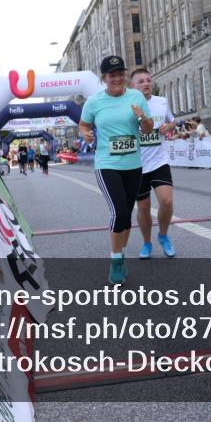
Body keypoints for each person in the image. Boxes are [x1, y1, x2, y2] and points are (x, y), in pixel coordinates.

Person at [79, 55, 153, 284]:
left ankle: (121, 254)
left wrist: (142, 118)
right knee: (119, 212)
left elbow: (149, 130)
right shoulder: (94, 102)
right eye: (113, 75)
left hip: (133, 164)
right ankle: (115, 259)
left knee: (126, 214)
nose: (118, 78)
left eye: (121, 74)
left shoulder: (137, 97)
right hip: (107, 164)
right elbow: (83, 124)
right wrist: (85, 133)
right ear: (104, 78)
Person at [130, 67, 178, 259]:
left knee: (166, 201)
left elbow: (172, 122)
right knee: (143, 207)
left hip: (160, 160)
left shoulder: (161, 102)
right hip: (137, 164)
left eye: (148, 80)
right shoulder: (128, 105)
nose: (146, 84)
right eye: (140, 81)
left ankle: (163, 236)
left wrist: (169, 126)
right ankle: (147, 243)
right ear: (132, 86)